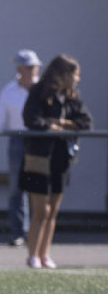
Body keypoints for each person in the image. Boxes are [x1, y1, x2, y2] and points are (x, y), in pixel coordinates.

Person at [19, 54, 92, 269]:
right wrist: (49, 126)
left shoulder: (71, 97)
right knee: (41, 210)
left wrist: (61, 123)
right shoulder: (39, 91)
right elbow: (31, 119)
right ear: (62, 73)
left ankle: (44, 254)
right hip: (39, 157)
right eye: (74, 74)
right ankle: (32, 255)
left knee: (54, 209)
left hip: (61, 158)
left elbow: (85, 122)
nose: (77, 79)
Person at [0, 49, 41, 247]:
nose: (31, 71)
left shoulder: (44, 89)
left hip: (40, 141)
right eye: (27, 67)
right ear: (19, 68)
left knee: (38, 187)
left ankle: (37, 232)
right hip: (17, 140)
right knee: (16, 188)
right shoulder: (9, 90)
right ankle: (18, 232)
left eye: (33, 67)